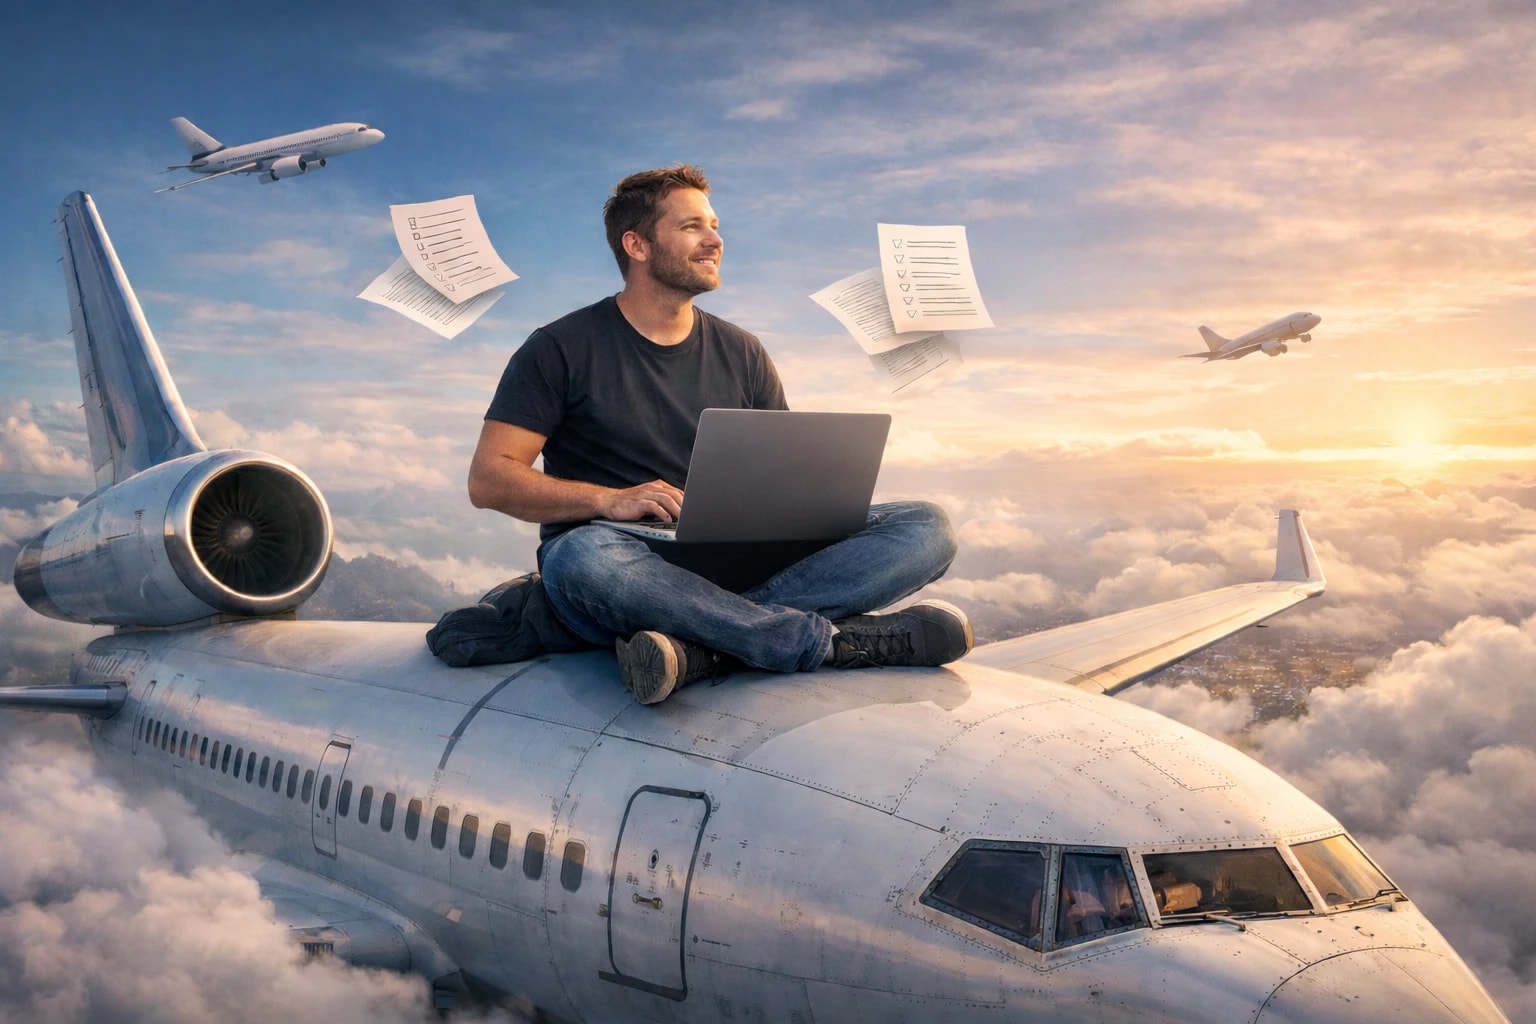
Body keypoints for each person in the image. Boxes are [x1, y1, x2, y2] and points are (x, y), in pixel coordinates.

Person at [468, 164, 971, 704]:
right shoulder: (559, 348)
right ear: (636, 245)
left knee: (926, 526)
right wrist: (610, 501)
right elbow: (490, 479)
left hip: (734, 556)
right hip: (627, 558)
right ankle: (818, 641)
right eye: (691, 227)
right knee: (578, 558)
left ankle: (706, 644)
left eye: (713, 225)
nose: (715, 240)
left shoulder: (743, 351)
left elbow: (780, 475)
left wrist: (808, 510)